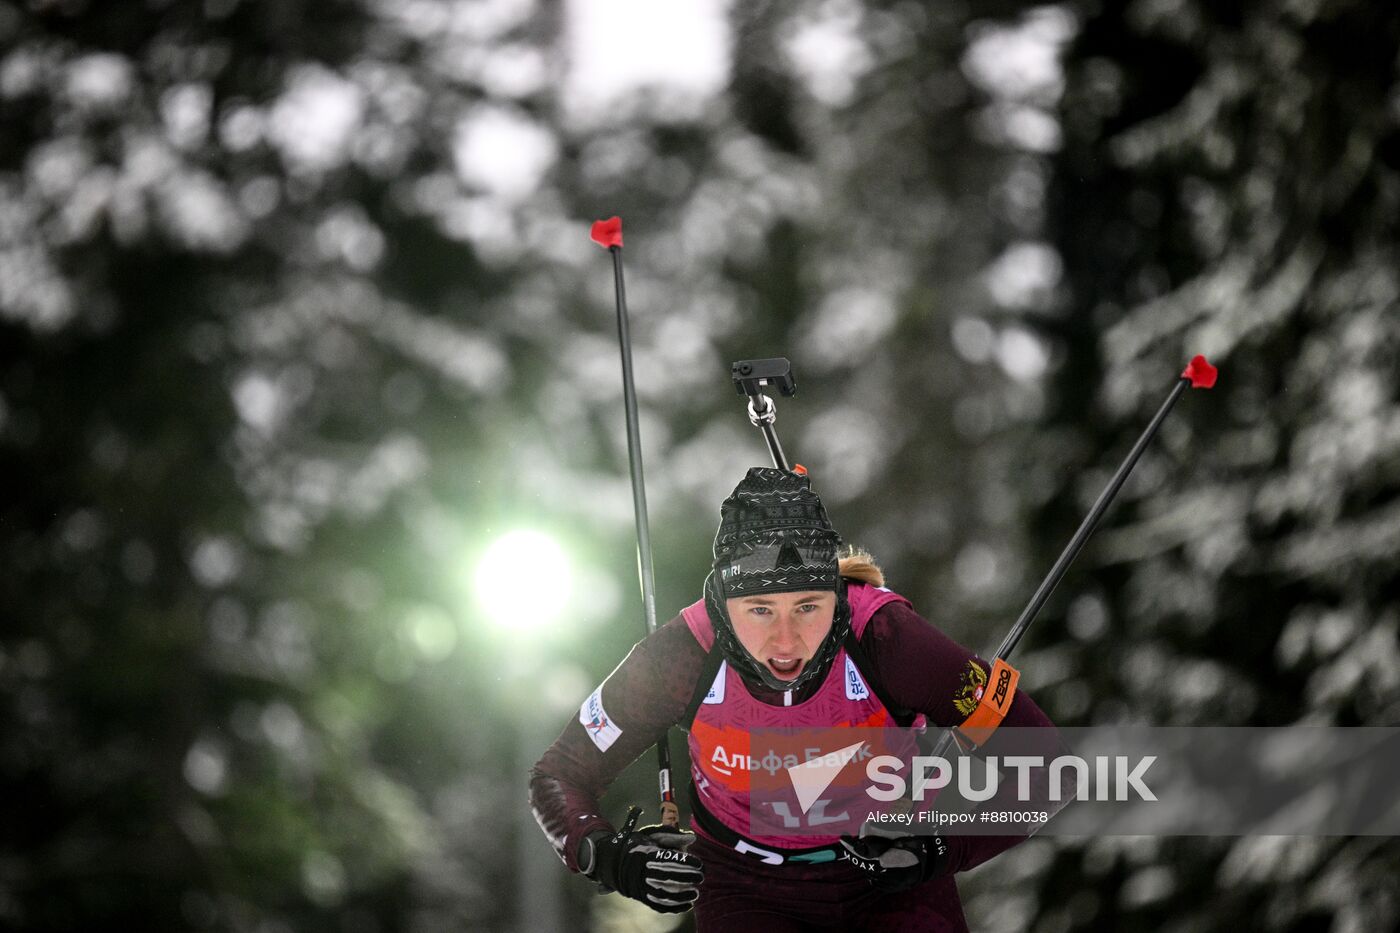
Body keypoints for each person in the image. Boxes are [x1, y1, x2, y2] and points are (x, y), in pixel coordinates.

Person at [530, 467, 1061, 931]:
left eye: (808, 606)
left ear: (838, 594)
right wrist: (609, 855)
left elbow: (1048, 765)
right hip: (746, 889)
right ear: (721, 604)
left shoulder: (887, 640)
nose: (785, 642)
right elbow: (559, 774)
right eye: (759, 610)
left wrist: (939, 846)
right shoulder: (681, 656)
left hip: (889, 875)